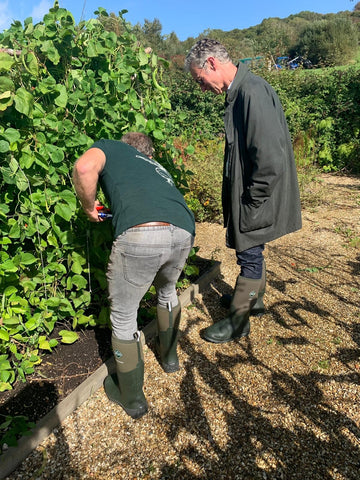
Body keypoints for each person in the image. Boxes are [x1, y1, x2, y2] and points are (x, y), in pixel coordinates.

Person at [184, 39, 301, 344]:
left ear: (211, 63)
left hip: (256, 194)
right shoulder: (241, 92)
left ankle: (238, 322)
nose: (201, 88)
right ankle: (253, 301)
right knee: (253, 249)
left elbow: (269, 158)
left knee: (248, 253)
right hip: (253, 192)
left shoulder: (251, 92)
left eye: (200, 79)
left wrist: (253, 199)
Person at [72, 132, 195, 419]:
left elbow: (84, 168)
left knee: (125, 316)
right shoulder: (158, 168)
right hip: (183, 230)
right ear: (149, 154)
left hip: (142, 233)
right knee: (167, 293)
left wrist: (89, 208)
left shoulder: (111, 147)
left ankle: (132, 398)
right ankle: (170, 360)